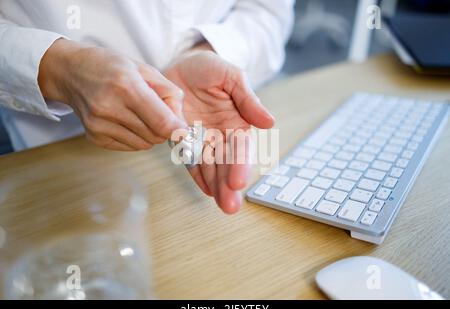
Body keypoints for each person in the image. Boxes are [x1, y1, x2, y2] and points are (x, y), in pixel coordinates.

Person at [0, 0, 294, 214]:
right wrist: (60, 69)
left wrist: (210, 50)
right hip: (53, 157)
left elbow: (268, 10)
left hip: (198, 141)